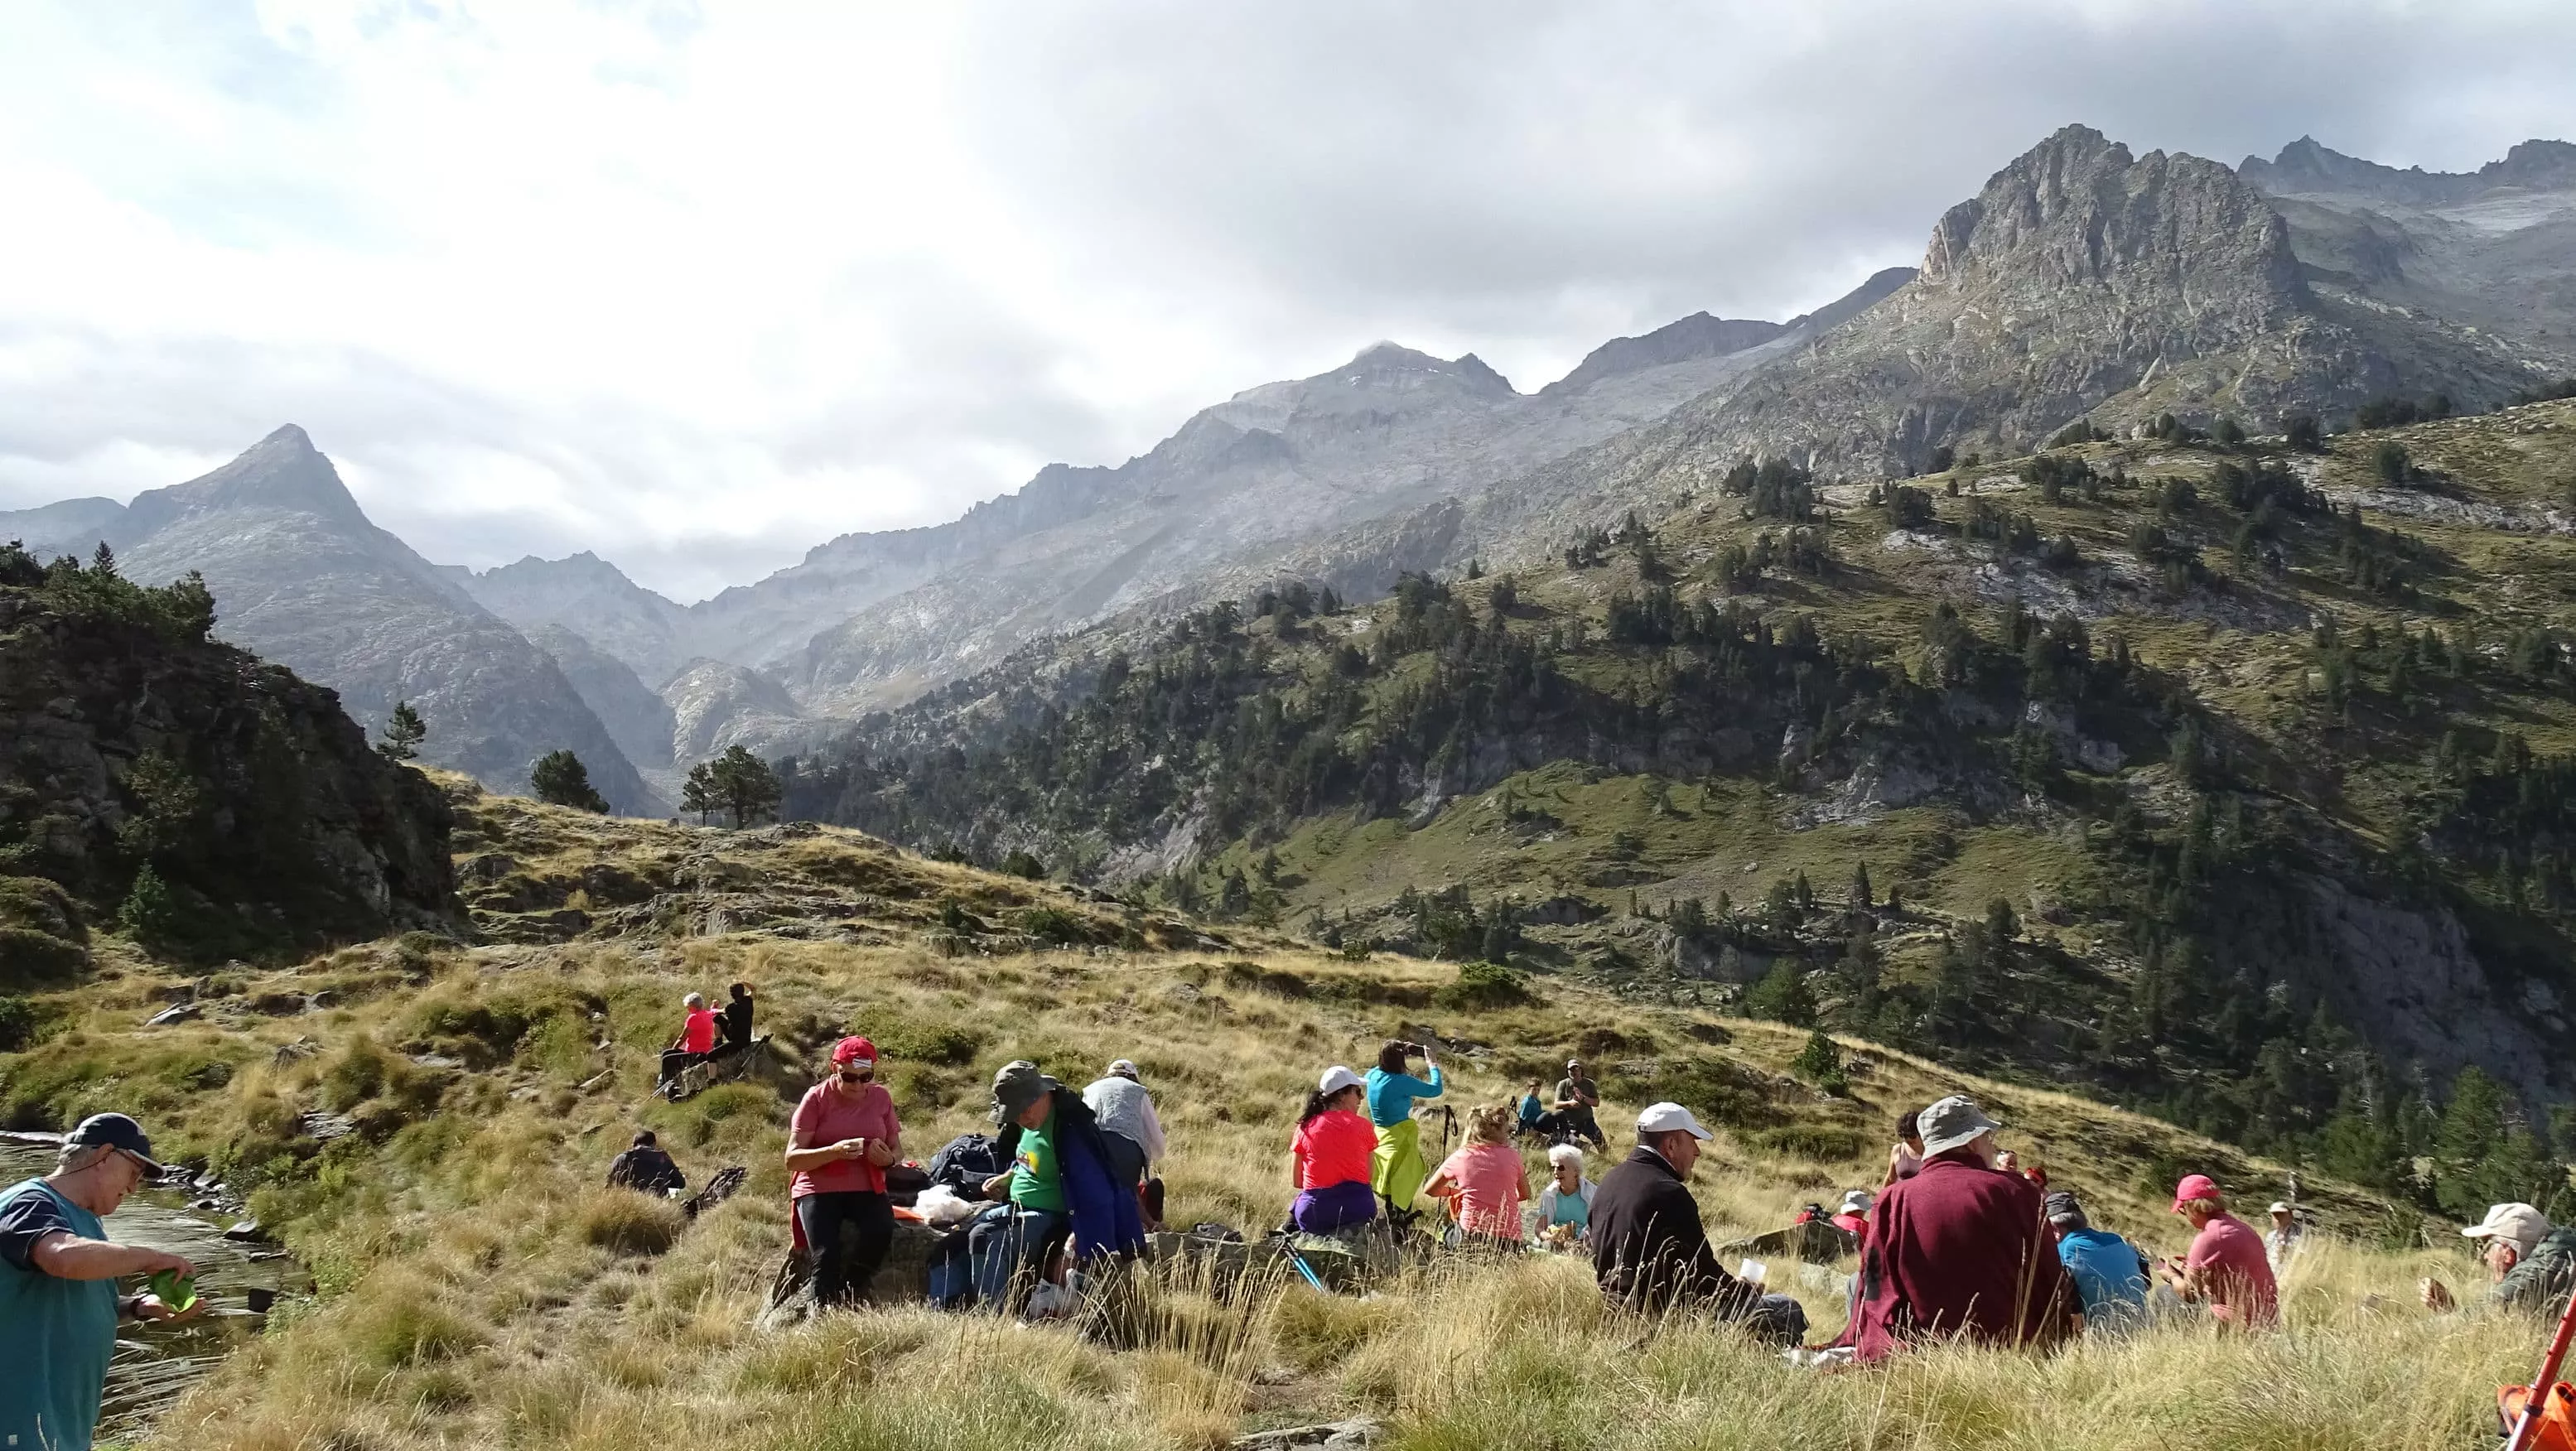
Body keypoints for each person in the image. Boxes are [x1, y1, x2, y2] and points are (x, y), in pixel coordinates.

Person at [2, 1114, 202, 1451]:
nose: (134, 1188)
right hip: (17, 1425)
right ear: (104, 1155)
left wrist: (139, 1307)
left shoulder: (86, 1224)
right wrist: (150, 1258)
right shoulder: (29, 1204)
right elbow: (63, 1258)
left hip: (60, 1427)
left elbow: (79, 1302)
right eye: (134, 1173)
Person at [1850, 1095, 2077, 1362]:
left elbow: (1873, 1277)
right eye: (1988, 1137)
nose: (1991, 1146)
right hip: (2011, 1350)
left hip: (1920, 1352)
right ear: (1971, 1142)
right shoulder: (2018, 1191)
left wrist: (1873, 1333)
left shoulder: (1891, 1199)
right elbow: (2049, 1276)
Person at [1590, 1102, 1807, 1344]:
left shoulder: (1608, 1182)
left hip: (1616, 1312)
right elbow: (1701, 1275)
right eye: (1692, 1142)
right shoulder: (1669, 1193)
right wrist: (1742, 1290)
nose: (1697, 1152)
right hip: (1666, 1320)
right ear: (1671, 1145)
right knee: (1788, 1309)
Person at [967, 1060, 1146, 1313]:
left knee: (984, 1236)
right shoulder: (1025, 1124)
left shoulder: (1070, 1131)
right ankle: (948, 1307)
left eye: (1024, 1108)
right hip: (1017, 1207)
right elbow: (1026, 1162)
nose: (1021, 1117)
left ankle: (991, 1317)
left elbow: (1097, 1193)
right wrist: (1007, 1177)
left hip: (1050, 1216)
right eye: (1014, 1112)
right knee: (957, 1240)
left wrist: (1079, 1238)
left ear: (1042, 1094)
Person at [783, 1037, 901, 1307]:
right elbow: (792, 1160)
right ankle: (820, 1314)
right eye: (849, 1077)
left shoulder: (881, 1097)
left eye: (865, 1077)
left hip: (866, 1186)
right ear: (833, 1068)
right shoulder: (816, 1098)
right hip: (818, 1186)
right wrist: (833, 1152)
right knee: (826, 1254)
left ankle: (850, 1290)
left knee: (881, 1230)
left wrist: (889, 1160)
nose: (858, 1085)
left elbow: (898, 1149)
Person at [2160, 1174, 2278, 1328]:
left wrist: (2171, 1275)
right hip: (2267, 1318)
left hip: (2235, 1323)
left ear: (2192, 1206)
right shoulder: (2243, 1228)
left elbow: (2189, 1294)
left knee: (2164, 1294)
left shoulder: (2209, 1236)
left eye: (2183, 1210)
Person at [2423, 1203, 2576, 1317]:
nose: (2485, 1256)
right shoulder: (2559, 1260)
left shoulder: (2536, 1275)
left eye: (2486, 1245)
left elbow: (2474, 1321)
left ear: (2507, 1253)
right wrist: (2448, 1309)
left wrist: (2401, 1336)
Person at [2046, 1190, 2153, 1335]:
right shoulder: (2119, 1241)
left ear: (2055, 1229)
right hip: (2142, 1330)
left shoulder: (2062, 1252)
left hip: (2099, 1337)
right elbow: (2147, 1283)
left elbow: (2072, 1304)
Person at [1289, 1067, 1379, 1234]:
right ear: (1341, 1095)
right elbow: (1368, 1177)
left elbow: (1297, 1181)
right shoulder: (1364, 1126)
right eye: (1357, 1092)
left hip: (1315, 1214)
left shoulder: (1305, 1127)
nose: (1361, 1098)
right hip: (1358, 1210)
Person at [1425, 1104, 1531, 1246]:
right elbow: (1525, 1194)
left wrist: (1454, 1192)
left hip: (1470, 1237)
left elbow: (1430, 1190)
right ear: (1499, 1130)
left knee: (1446, 1228)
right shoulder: (1513, 1156)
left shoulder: (1462, 1156)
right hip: (1509, 1242)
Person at [1083, 1058, 1168, 1230]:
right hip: (1127, 1151)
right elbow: (1158, 1144)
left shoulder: (1090, 1089)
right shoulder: (1138, 1092)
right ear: (1134, 1077)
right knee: (1128, 1192)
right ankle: (1146, 1228)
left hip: (1090, 1148)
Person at [1366, 1040, 1445, 1218]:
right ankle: (1399, 1216)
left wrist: (1400, 1050)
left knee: (1386, 1175)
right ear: (1400, 1060)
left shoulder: (1372, 1075)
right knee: (1405, 1177)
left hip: (1380, 1134)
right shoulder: (1401, 1082)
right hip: (1400, 1137)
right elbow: (1436, 1089)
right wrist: (1433, 1065)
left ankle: (1389, 1213)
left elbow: (1381, 1068)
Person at [1532, 1142, 1596, 1244]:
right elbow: (1539, 1228)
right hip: (1555, 1244)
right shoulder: (1549, 1194)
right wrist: (1550, 1237)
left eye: (1561, 1168)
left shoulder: (1592, 1194)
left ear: (1575, 1171)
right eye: (1554, 1168)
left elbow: (1598, 1228)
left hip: (1583, 1244)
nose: (1556, 1172)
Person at [660, 991, 721, 1086]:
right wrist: (715, 1005)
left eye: (688, 1007)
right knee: (667, 1053)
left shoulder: (693, 1018)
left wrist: (674, 1049)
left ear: (692, 1006)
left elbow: (682, 1038)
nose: (688, 1010)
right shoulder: (708, 1014)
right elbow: (714, 1010)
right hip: (706, 1051)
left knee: (667, 1057)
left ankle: (667, 1085)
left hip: (693, 1054)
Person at [606, 1130, 686, 1193]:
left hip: (626, 1206)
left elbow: (609, 1185)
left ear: (633, 1145)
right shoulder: (663, 1158)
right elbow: (680, 1184)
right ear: (654, 1144)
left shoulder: (621, 1158)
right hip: (658, 1206)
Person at [1553, 1058, 1607, 1149]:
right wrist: (1570, 1103)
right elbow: (1556, 1104)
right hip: (1570, 1123)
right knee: (1568, 1148)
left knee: (1603, 1146)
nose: (1574, 1072)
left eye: (1576, 1069)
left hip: (1587, 1121)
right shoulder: (1563, 1084)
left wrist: (1583, 1098)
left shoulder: (1589, 1084)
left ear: (1581, 1070)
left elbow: (1596, 1103)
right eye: (1571, 1070)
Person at [1880, 1108, 1925, 1188]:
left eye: (1912, 1135)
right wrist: (1881, 1198)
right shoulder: (1898, 1150)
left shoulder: (1932, 1151)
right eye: (1903, 1135)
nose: (1908, 1139)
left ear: (1921, 1132)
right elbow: (1890, 1179)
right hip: (1902, 1197)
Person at [2264, 1201, 2303, 1275]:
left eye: (2282, 1215)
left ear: (2290, 1216)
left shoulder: (2300, 1236)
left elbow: (2298, 1260)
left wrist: (2282, 1241)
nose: (2278, 1219)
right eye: (2275, 1215)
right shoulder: (2270, 1236)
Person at [720, 981, 755, 1051]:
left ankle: (718, 1041)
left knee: (717, 1018)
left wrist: (714, 1008)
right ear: (743, 991)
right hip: (747, 1038)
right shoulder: (748, 1000)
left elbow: (718, 1012)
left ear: (732, 994)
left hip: (735, 1040)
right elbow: (753, 989)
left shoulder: (730, 1008)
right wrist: (742, 982)